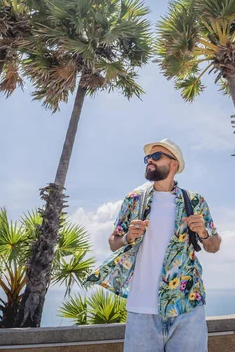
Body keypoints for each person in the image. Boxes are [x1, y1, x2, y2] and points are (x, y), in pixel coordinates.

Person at [86, 138, 221, 352]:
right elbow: (113, 242)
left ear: (174, 164)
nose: (150, 160)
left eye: (156, 156)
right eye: (148, 157)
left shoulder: (194, 201)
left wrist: (203, 233)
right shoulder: (134, 200)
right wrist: (127, 237)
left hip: (187, 308)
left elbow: (214, 245)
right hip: (142, 311)